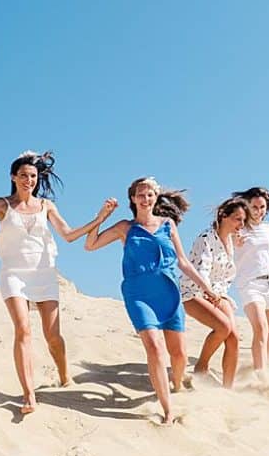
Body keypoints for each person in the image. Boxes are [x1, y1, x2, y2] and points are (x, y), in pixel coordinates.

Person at [0, 151, 115, 414]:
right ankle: (29, 394)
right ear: (13, 177)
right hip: (14, 274)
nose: (28, 180)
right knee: (23, 330)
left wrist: (99, 219)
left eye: (32, 176)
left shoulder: (46, 206)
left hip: (44, 273)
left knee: (52, 336)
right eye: (23, 175)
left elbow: (67, 235)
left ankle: (65, 376)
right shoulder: (1, 204)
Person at [84, 177, 215, 423]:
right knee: (155, 348)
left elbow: (183, 262)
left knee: (179, 356)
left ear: (156, 197)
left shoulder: (168, 224)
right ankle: (168, 410)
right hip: (138, 293)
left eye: (150, 194)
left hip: (169, 290)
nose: (145, 199)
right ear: (133, 199)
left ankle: (176, 385)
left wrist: (205, 286)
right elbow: (90, 245)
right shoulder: (125, 227)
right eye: (140, 195)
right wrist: (101, 218)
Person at [181, 197, 250, 388]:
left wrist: (237, 241)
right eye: (237, 219)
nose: (241, 225)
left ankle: (228, 388)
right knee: (223, 327)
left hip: (219, 293)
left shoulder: (230, 240)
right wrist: (209, 292)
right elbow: (202, 270)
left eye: (243, 220)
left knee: (234, 337)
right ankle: (201, 367)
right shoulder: (206, 239)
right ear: (223, 216)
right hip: (194, 291)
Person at [230, 187, 269, 377]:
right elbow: (227, 248)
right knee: (261, 328)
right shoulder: (237, 228)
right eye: (255, 207)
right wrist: (235, 243)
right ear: (246, 206)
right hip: (250, 283)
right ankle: (261, 375)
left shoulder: (268, 228)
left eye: (262, 207)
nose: (259, 211)